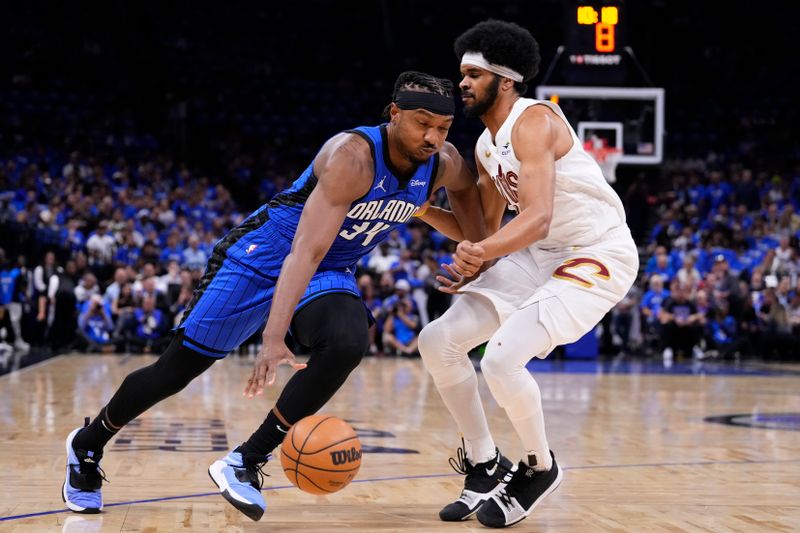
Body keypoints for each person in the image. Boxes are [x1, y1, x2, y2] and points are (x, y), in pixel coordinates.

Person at [62, 71, 486, 520]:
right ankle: (87, 446)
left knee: (347, 341)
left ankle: (244, 460)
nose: (434, 136)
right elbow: (305, 250)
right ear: (394, 113)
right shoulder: (352, 157)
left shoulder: (444, 163)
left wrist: (465, 247)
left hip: (330, 268)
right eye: (423, 123)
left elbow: (471, 226)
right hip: (264, 254)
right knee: (176, 371)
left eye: (443, 128)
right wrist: (273, 337)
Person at [415, 20, 639, 528]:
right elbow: (483, 228)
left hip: (596, 252)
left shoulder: (534, 120)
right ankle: (484, 462)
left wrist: (480, 251)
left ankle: (539, 465)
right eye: (462, 75)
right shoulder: (485, 146)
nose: (463, 84)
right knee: (438, 341)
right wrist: (422, 211)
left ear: (506, 79)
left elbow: (534, 216)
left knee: (501, 359)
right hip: (541, 255)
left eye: (473, 74)